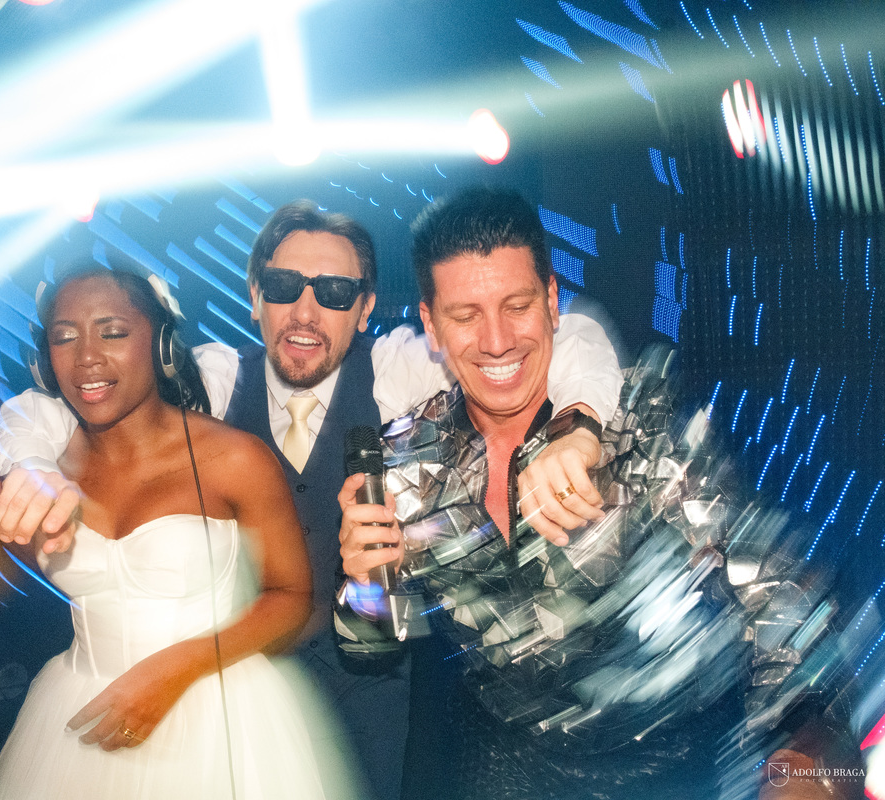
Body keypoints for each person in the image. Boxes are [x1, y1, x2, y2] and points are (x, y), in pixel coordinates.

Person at [0, 201, 624, 800]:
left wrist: (576, 429)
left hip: (377, 701)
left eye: (335, 292)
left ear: (365, 307)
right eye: (284, 286)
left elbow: (567, 334)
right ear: (255, 295)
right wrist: (31, 467)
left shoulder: (401, 370)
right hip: (226, 709)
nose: (305, 311)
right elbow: (56, 404)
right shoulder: (214, 379)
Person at [336, 186, 863, 799]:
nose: (497, 340)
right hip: (510, 773)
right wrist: (365, 584)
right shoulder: (409, 459)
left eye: (517, 306)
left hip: (677, 772)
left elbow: (776, 591)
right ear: (430, 325)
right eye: (465, 316)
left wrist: (802, 753)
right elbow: (372, 649)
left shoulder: (640, 422)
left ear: (551, 301)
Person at [0, 268, 334, 800]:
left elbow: (291, 598)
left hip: (222, 721)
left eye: (112, 332)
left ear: (161, 344)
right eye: (64, 337)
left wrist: (176, 669)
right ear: (44, 360)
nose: (87, 357)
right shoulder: (33, 474)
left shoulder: (234, 459)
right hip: (83, 722)